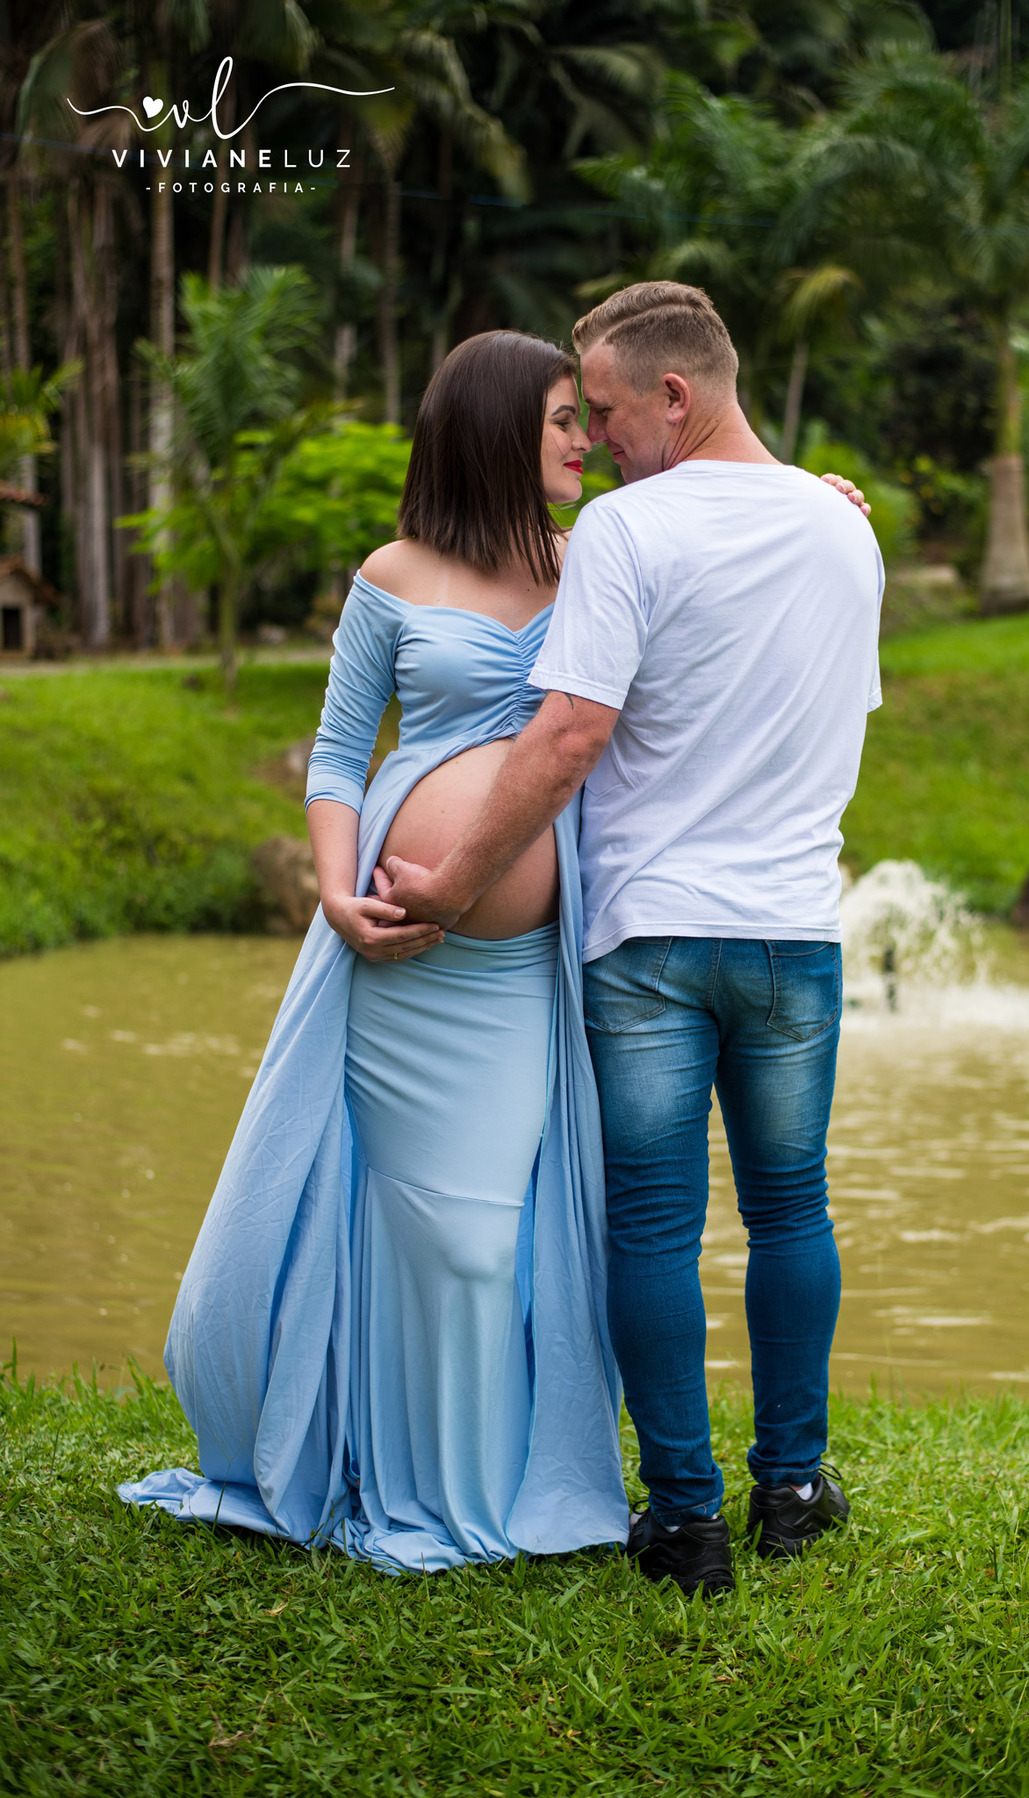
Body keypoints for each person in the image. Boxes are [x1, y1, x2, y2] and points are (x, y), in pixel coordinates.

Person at [378, 282, 885, 1598]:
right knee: (792, 1205)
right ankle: (792, 1486)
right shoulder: (846, 531)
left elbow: (566, 735)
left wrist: (451, 884)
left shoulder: (626, 526)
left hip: (652, 935)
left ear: (676, 395)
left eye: (603, 410)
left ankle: (687, 1521)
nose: (594, 440)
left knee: (656, 1221)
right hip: (793, 934)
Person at [119, 331, 630, 1573]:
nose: (585, 440)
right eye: (565, 417)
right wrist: (338, 894)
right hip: (389, 967)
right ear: (501, 427)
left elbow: (722, 549)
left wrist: (812, 500)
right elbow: (341, 752)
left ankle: (472, 1495)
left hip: (512, 977)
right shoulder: (395, 574)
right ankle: (370, 1468)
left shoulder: (596, 564)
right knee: (382, 1220)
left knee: (478, 1236)